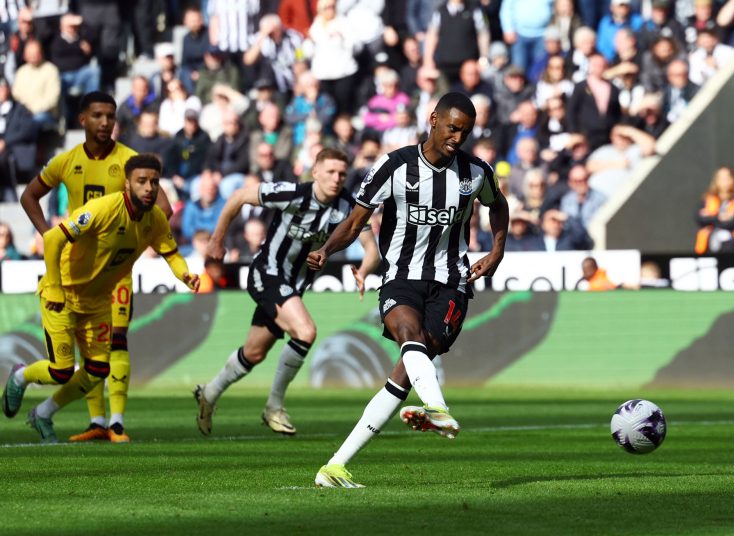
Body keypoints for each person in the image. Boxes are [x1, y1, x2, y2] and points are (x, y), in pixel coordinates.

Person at [306, 92, 509, 488]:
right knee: (407, 336)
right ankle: (437, 407)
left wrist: (498, 250)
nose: (457, 138)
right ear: (433, 119)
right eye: (452, 128)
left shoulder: (474, 172)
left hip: (452, 281)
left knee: (404, 374)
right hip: (400, 276)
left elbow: (497, 205)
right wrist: (326, 249)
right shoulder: (394, 166)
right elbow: (355, 220)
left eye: (464, 132)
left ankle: (334, 467)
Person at [2, 154, 199, 443]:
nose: (149, 188)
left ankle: (42, 413)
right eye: (141, 181)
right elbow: (55, 238)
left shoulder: (154, 219)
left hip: (97, 301)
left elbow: (171, 253)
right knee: (61, 371)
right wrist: (54, 285)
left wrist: (185, 274)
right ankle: (20, 377)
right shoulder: (103, 209)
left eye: (154, 182)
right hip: (64, 293)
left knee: (97, 369)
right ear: (126, 184)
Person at [19, 92, 173, 443]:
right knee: (87, 353)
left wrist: (136, 240)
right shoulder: (66, 161)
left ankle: (116, 421)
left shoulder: (130, 162)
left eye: (111, 116)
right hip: (75, 270)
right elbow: (29, 196)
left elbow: (164, 208)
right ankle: (97, 420)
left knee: (116, 342)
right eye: (98, 116)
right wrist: (48, 234)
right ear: (82, 120)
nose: (106, 122)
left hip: (115, 272)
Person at [193, 148, 380, 437]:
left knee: (254, 353)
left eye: (342, 173)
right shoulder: (292, 194)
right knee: (305, 331)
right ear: (315, 171)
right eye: (330, 171)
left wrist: (364, 271)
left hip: (294, 286)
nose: (336, 178)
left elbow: (372, 250)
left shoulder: (347, 207)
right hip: (266, 273)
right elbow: (239, 196)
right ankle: (274, 407)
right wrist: (217, 240)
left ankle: (209, 393)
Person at [695, 166, 734, 254]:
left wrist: (712, 218)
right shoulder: (708, 199)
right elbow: (700, 219)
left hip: (733, 245)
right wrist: (719, 217)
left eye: (727, 178)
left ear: (732, 180)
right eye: (721, 178)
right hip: (709, 244)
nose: (724, 182)